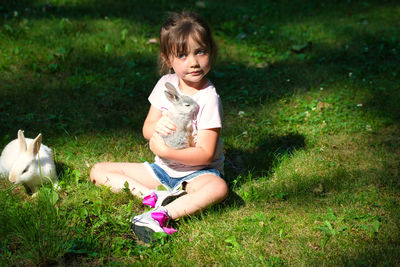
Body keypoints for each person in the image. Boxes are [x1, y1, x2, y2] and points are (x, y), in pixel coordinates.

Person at [90, 11, 228, 243]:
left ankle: (162, 214)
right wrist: (156, 128)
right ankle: (155, 197)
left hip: (198, 174)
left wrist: (165, 151)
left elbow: (206, 153)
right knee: (98, 171)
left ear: (211, 52)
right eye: (182, 55)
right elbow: (147, 128)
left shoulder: (208, 98)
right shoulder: (166, 84)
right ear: (168, 59)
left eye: (200, 52)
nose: (193, 62)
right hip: (162, 171)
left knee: (218, 188)